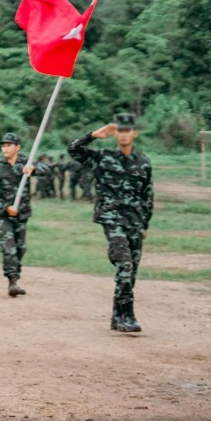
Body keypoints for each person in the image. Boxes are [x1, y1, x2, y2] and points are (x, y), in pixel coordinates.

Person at [68, 113, 153, 333]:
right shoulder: (103, 157)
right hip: (111, 217)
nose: (123, 134)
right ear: (116, 133)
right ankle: (128, 313)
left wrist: (145, 224)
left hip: (134, 220)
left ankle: (116, 316)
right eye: (120, 130)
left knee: (130, 270)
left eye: (127, 130)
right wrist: (93, 135)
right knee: (125, 263)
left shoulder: (143, 161)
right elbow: (74, 150)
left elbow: (147, 194)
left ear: (134, 133)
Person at [0, 133, 47, 297]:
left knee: (20, 248)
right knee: (8, 247)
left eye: (9, 145)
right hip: (4, 215)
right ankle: (12, 281)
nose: (5, 148)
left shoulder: (26, 163)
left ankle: (16, 278)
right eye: (3, 145)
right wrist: (6, 208)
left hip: (22, 214)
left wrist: (33, 169)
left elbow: (46, 169)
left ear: (17, 147)